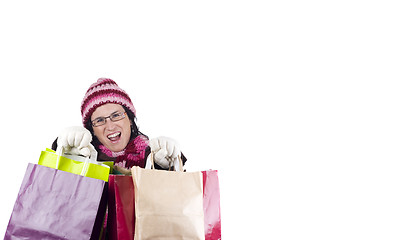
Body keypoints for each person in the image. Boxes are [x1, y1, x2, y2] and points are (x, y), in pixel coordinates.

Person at [52, 78, 186, 174]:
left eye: (116, 115)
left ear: (130, 119)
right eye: (99, 120)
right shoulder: (86, 155)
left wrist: (163, 166)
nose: (110, 126)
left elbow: (169, 200)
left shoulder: (151, 154)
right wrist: (66, 152)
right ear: (91, 129)